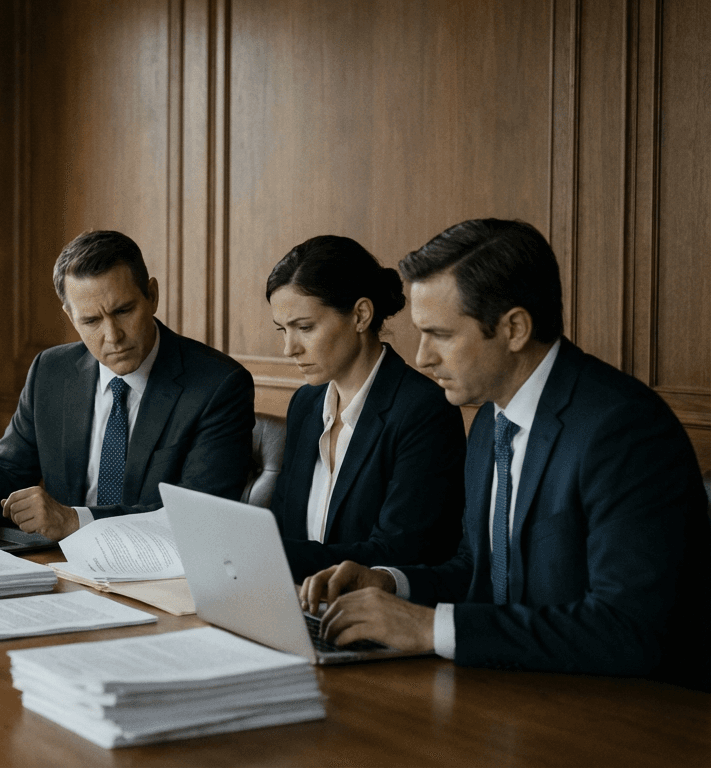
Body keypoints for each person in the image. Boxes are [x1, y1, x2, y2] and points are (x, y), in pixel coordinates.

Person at [301, 218, 710, 685]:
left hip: (625, 715)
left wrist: (430, 627)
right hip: (512, 688)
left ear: (514, 328)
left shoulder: (625, 431)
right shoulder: (490, 418)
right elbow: (482, 573)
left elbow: (628, 630)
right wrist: (392, 584)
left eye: (442, 335)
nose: (422, 358)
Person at [0, 230, 255, 541]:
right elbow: (9, 466)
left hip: (159, 575)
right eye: (91, 321)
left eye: (123, 311)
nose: (113, 336)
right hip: (59, 564)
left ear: (152, 295)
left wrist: (75, 521)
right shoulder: (51, 371)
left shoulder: (218, 385)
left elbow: (199, 516)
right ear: (70, 316)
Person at [267, 235, 464, 582]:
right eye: (283, 330)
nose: (289, 348)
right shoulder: (306, 403)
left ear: (360, 315)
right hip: (296, 603)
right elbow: (285, 523)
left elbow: (398, 552)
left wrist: (267, 554)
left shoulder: (423, 411)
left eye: (305, 328)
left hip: (373, 616)